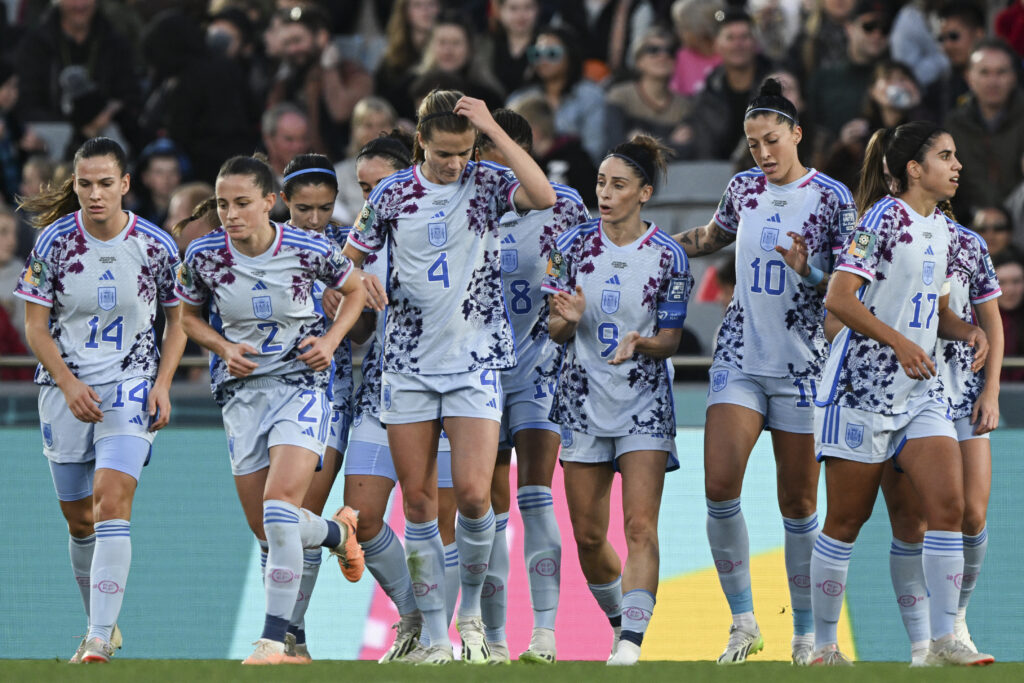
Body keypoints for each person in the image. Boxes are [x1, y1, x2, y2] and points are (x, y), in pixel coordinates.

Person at [342, 89, 556, 664]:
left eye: (463, 152)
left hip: (476, 360)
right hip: (407, 365)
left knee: (471, 494)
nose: (455, 164)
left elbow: (542, 194)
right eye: (443, 154)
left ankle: (471, 617)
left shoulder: (486, 184)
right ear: (421, 145)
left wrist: (493, 128)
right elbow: (347, 260)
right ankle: (435, 634)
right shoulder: (391, 194)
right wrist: (360, 283)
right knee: (415, 504)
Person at [674, 78, 857, 665]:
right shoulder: (743, 189)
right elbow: (711, 236)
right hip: (740, 355)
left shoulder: (832, 198)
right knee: (720, 484)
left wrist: (809, 270)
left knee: (799, 504)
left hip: (803, 364)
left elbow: (850, 287)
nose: (763, 154)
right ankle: (744, 623)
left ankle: (804, 635)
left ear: (796, 134)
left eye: (771, 140)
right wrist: (654, 246)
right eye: (753, 144)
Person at [809, 121, 994, 666]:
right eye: (945, 155)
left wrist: (968, 331)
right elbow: (840, 299)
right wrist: (899, 344)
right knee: (846, 521)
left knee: (949, 505)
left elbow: (933, 309)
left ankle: (944, 639)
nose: (956, 165)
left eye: (956, 156)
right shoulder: (880, 221)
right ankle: (823, 646)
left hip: (921, 392)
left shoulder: (942, 230)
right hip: (861, 387)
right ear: (915, 169)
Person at [174, 153, 367, 665]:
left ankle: (273, 641)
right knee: (267, 530)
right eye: (222, 204)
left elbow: (355, 291)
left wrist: (330, 340)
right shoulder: (204, 255)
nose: (231, 214)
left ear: (269, 202)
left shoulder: (306, 248)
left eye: (241, 203)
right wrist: (222, 347)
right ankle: (336, 532)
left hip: (301, 385)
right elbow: (188, 317)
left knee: (280, 509)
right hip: (241, 395)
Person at [14, 137, 186, 662]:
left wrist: (161, 383)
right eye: (85, 184)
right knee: (79, 519)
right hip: (66, 390)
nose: (95, 194)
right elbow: (34, 326)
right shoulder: (54, 243)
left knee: (112, 503)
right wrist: (67, 382)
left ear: (125, 185)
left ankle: (97, 638)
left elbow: (179, 320)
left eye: (105, 183)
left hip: (131, 384)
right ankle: (101, 624)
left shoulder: (155, 245)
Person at [542, 134, 692, 666]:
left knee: (639, 527)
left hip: (644, 402)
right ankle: (619, 622)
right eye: (602, 182)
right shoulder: (570, 247)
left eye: (618, 185)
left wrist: (642, 343)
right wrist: (569, 319)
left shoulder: (669, 257)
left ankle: (631, 642)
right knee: (587, 535)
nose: (605, 193)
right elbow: (554, 331)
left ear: (644, 193)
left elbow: (671, 339)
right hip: (582, 399)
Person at [475, 108, 590, 664]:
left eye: (491, 149)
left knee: (534, 495)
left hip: (540, 363)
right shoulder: (466, 204)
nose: (480, 161)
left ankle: (544, 634)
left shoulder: (563, 206)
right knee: (488, 509)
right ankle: (493, 641)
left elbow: (585, 281)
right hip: (478, 371)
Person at [879, 210, 1003, 665]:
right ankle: (920, 647)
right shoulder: (891, 236)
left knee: (972, 514)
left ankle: (955, 620)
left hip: (966, 391)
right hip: (911, 389)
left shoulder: (970, 244)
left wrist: (991, 390)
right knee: (912, 523)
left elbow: (991, 321)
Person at [944, 39, 1024, 220]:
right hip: (968, 223)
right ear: (969, 77)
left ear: (1014, 77)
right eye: (984, 72)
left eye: (1001, 72)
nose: (993, 81)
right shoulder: (954, 124)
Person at [507, 26, 608, 164]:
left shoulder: (590, 95)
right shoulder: (519, 98)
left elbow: (595, 150)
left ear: (570, 55)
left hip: (577, 174)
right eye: (536, 54)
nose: (543, 60)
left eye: (552, 53)